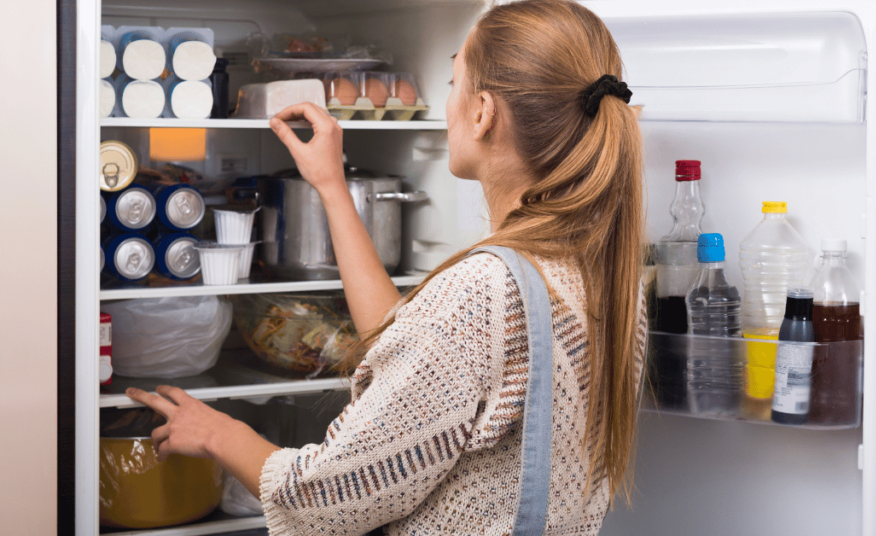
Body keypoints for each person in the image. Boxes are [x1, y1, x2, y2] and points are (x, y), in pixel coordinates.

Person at [126, 1, 647, 534]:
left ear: (483, 112)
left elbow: (326, 500)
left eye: (452, 83)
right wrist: (331, 186)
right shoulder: (601, 273)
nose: (447, 103)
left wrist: (219, 433)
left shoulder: (480, 293)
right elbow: (413, 352)